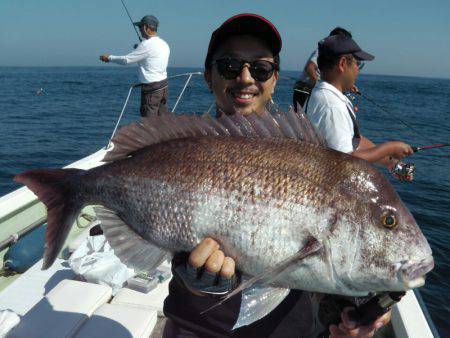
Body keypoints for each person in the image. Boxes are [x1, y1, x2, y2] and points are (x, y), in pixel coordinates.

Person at [162, 14, 391, 338]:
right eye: (229, 66)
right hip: (196, 330)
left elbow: (313, 266)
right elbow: (153, 229)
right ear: (208, 77)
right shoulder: (178, 154)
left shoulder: (309, 155)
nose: (245, 78)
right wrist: (190, 279)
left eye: (260, 68)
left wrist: (347, 315)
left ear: (275, 79)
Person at [306, 34, 414, 179]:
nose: (358, 70)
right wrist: (390, 147)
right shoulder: (332, 106)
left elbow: (353, 140)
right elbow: (345, 161)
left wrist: (392, 163)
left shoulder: (327, 95)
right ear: (343, 64)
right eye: (358, 64)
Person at [99, 15, 170, 117]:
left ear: (146, 27)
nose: (140, 30)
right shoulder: (164, 44)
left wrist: (109, 58)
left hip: (152, 90)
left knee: (149, 124)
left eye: (141, 27)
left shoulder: (146, 45)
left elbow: (127, 60)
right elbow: (153, 56)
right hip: (164, 88)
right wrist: (139, 49)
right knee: (162, 121)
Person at [293, 27, 352, 111]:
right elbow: (310, 68)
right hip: (304, 91)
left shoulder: (332, 54)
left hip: (307, 91)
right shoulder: (322, 50)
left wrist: (348, 84)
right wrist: (320, 87)